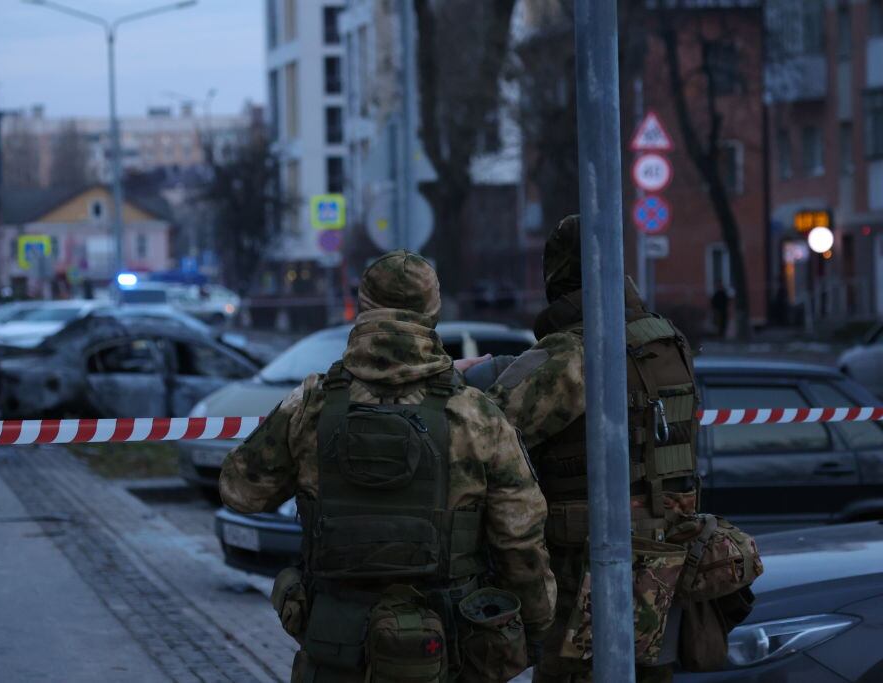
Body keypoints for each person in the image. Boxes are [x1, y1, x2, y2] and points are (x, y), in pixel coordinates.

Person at [220, 250, 556, 682]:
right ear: (432, 310)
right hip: (450, 651)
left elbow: (240, 491)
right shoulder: (474, 414)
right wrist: (535, 627)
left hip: (335, 648)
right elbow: (520, 536)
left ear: (364, 307)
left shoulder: (310, 405)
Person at [464, 215, 707, 683]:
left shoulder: (579, 347)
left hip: (591, 565)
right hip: (663, 556)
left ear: (557, 275)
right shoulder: (666, 339)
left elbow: (485, 431)